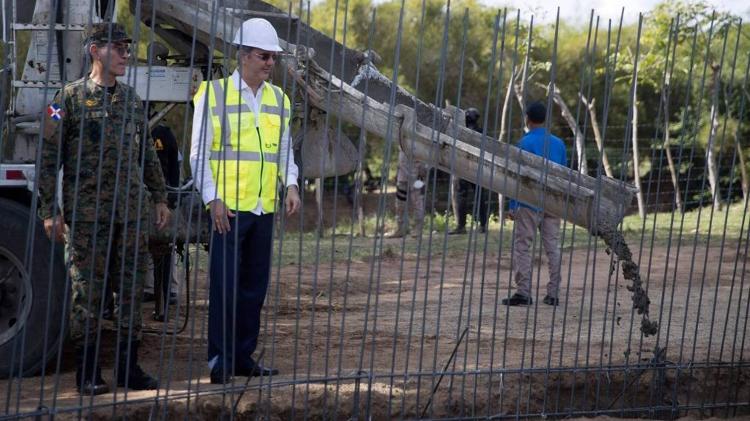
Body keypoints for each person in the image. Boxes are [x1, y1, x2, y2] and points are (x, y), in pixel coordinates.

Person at [37, 22, 170, 395]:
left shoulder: (131, 100)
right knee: (88, 294)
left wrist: (160, 197)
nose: (127, 55)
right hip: (87, 217)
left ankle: (128, 368)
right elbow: (49, 159)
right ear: (96, 51)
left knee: (129, 292)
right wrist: (50, 210)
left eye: (128, 49)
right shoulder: (67, 100)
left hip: (129, 216)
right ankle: (89, 371)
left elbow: (147, 155)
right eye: (120, 48)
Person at [190, 18, 301, 384]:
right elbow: (198, 154)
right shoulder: (213, 94)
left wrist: (292, 184)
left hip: (263, 207)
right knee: (225, 286)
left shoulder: (279, 99)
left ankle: (242, 356)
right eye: (264, 56)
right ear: (243, 55)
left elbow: (284, 150)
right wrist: (212, 198)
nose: (270, 63)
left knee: (254, 287)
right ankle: (219, 361)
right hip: (229, 210)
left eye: (273, 58)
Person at [502, 101, 566, 307]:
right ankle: (553, 292)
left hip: (529, 201)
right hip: (553, 202)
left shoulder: (524, 143)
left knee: (522, 246)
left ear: (527, 119)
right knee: (553, 247)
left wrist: (513, 204)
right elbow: (564, 175)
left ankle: (523, 292)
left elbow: (517, 177)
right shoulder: (559, 144)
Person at [144, 122, 181, 307]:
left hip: (161, 197)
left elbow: (174, 164)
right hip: (141, 197)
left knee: (166, 244)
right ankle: (150, 288)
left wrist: (171, 196)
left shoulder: (163, 134)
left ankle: (169, 290)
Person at [448, 107, 490, 235]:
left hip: (462, 165)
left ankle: (461, 226)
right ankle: (483, 225)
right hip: (477, 167)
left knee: (461, 194)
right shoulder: (481, 132)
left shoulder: (460, 131)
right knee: (480, 195)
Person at [385, 149, 427, 238]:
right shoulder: (402, 138)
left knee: (417, 200)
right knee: (400, 201)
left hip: (417, 173)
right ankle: (401, 228)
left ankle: (418, 228)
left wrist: (422, 172)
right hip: (402, 172)